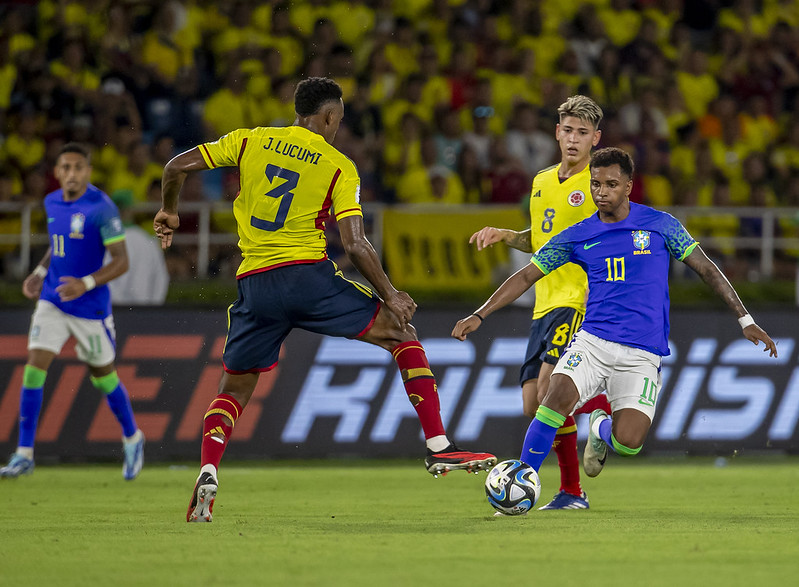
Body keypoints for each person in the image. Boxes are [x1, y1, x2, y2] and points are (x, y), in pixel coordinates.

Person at [153, 77, 496, 523]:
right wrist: (390, 293)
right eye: (339, 120)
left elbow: (175, 167)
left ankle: (208, 470)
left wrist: (170, 210)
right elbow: (355, 244)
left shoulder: (251, 139)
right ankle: (438, 448)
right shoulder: (339, 165)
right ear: (330, 116)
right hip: (307, 278)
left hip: (255, 284)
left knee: (234, 388)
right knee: (401, 334)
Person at [453, 147, 778, 495]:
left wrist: (745, 320)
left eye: (610, 184)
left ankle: (600, 428)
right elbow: (526, 276)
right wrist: (479, 314)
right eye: (595, 184)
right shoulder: (578, 234)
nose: (601, 192)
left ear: (628, 186)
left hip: (643, 353)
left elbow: (708, 270)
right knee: (553, 397)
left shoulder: (661, 224)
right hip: (593, 342)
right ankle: (522, 480)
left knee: (629, 442)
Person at [469, 95, 611, 510]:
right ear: (556, 132)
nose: (573, 139)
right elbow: (540, 240)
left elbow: (611, 241)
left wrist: (598, 287)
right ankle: (573, 488)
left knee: (551, 390)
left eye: (582, 133)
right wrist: (505, 235)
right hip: (543, 302)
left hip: (579, 298)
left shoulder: (598, 185)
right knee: (535, 404)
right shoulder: (542, 180)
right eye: (568, 130)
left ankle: (601, 422)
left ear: (595, 139)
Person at [0, 143, 145, 480]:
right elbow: (59, 243)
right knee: (34, 368)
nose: (72, 173)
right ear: (58, 172)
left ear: (88, 171)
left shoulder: (102, 208)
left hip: (89, 308)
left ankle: (132, 436)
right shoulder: (51, 201)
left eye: (79, 167)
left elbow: (122, 262)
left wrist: (86, 283)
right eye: (66, 167)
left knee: (104, 376)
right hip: (52, 299)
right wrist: (39, 273)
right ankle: (24, 454)